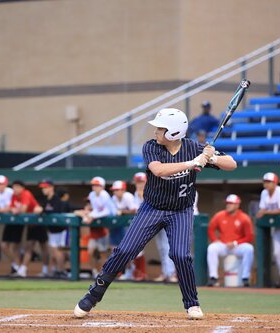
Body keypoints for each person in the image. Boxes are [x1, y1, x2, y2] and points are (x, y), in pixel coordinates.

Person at [73, 108, 237, 320]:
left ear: (174, 132)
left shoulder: (194, 147)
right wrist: (193, 163)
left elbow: (232, 164)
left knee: (181, 255)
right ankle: (94, 294)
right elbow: (159, 170)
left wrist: (210, 158)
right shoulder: (151, 147)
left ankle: (192, 304)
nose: (156, 132)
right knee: (125, 251)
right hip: (152, 208)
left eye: (161, 128)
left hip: (180, 211)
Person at [206, 194, 254, 288]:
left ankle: (245, 278)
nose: (228, 205)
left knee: (249, 249)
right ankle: (213, 277)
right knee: (212, 248)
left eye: (231, 203)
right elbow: (210, 228)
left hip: (237, 245)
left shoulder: (244, 218)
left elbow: (249, 237)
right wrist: (215, 240)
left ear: (237, 205)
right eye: (227, 203)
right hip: (224, 245)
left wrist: (236, 243)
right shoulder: (220, 215)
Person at [74, 176, 116, 278]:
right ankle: (94, 272)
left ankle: (105, 273)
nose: (95, 187)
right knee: (90, 252)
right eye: (93, 185)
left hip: (108, 222)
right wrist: (88, 215)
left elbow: (107, 211)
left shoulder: (104, 195)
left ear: (102, 186)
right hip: (96, 228)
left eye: (97, 185)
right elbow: (95, 210)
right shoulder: (92, 195)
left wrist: (91, 216)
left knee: (103, 253)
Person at [9, 180, 43, 278]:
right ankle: (19, 267)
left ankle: (23, 269)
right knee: (15, 245)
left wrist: (16, 210)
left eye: (17, 187)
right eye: (13, 187)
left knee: (31, 245)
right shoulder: (14, 196)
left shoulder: (26, 193)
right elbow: (11, 208)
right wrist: (14, 210)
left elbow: (23, 209)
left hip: (36, 222)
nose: (15, 189)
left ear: (22, 187)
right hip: (24, 222)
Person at [38, 178, 70, 278]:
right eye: (42, 188)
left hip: (61, 229)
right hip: (52, 230)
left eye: (46, 187)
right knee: (54, 251)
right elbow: (42, 210)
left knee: (58, 251)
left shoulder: (56, 199)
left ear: (51, 188)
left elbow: (56, 212)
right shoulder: (46, 200)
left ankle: (60, 271)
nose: (43, 189)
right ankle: (59, 270)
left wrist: (44, 211)